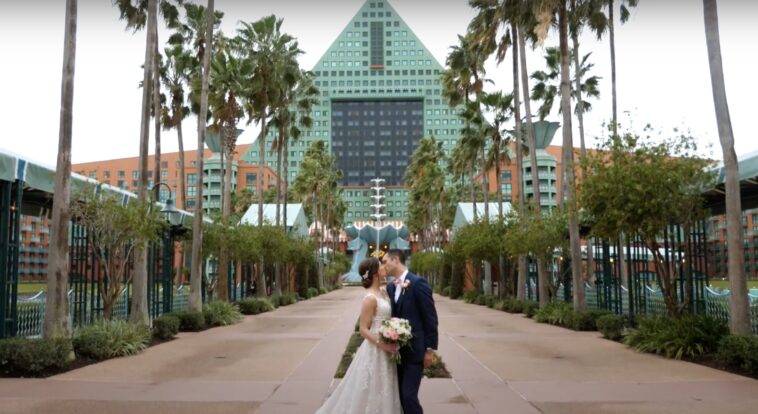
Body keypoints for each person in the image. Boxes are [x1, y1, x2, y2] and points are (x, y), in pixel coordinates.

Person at [315, 257, 402, 414]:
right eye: (380, 265)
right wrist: (383, 345)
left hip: (389, 344)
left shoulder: (383, 291)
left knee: (385, 386)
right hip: (376, 349)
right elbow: (363, 329)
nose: (384, 267)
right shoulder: (369, 298)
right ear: (375, 273)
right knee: (372, 387)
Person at [383, 249, 439, 414]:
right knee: (399, 396)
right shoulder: (391, 288)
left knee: (408, 396)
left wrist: (429, 349)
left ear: (396, 260)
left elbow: (430, 317)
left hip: (416, 351)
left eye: (385, 261)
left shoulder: (418, 282)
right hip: (397, 353)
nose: (383, 265)